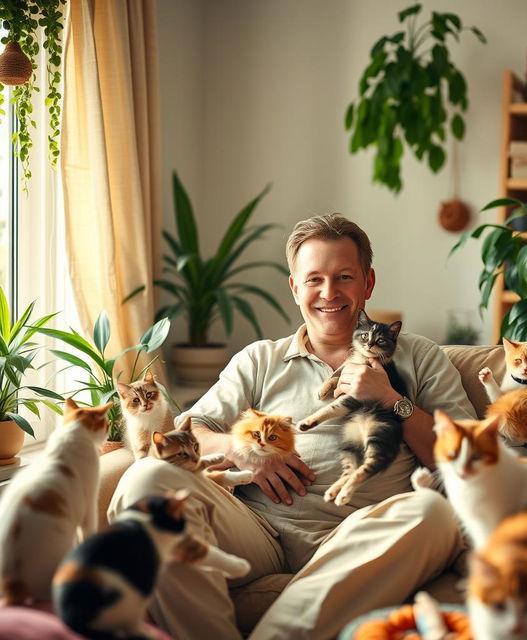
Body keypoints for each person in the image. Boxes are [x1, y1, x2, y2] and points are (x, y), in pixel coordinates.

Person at [109, 213, 476, 640]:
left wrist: (392, 401)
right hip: (258, 532)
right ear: (295, 287)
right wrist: (242, 451)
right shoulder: (260, 360)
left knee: (431, 512)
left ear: (368, 283)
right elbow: (192, 430)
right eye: (314, 279)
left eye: (344, 277)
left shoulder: (420, 357)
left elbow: (471, 461)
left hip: (366, 534)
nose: (328, 293)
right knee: (148, 476)